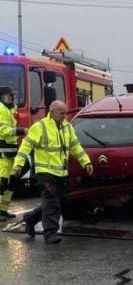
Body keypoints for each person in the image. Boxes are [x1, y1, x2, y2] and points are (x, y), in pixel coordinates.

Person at [13, 101, 94, 243]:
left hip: (61, 172)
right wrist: (18, 164)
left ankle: (30, 219)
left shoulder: (67, 127)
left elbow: (76, 147)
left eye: (65, 113)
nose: (64, 116)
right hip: (45, 172)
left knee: (57, 200)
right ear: (52, 111)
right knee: (52, 202)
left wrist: (85, 162)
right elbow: (26, 146)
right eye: (61, 113)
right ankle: (50, 234)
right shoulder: (40, 127)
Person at [0, 86, 26, 220]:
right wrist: (21, 131)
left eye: (13, 95)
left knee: (10, 184)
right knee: (2, 183)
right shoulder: (2, 109)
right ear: (2, 96)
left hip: (10, 152)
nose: (12, 98)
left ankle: (3, 210)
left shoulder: (10, 110)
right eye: (10, 95)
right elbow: (3, 131)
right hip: (2, 154)